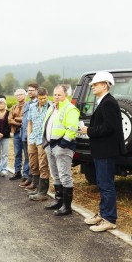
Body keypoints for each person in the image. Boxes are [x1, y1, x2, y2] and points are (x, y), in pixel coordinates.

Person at [80, 71, 125, 232]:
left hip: (106, 151)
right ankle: (103, 214)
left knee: (106, 184)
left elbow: (109, 127)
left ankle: (109, 219)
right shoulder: (104, 101)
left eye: (96, 84)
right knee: (102, 183)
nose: (92, 86)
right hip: (102, 150)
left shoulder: (108, 103)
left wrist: (89, 130)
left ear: (105, 85)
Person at [43, 85, 80, 216]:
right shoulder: (52, 107)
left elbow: (72, 128)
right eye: (55, 94)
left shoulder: (70, 109)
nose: (56, 97)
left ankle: (67, 206)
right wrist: (45, 143)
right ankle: (59, 201)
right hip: (50, 146)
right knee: (56, 175)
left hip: (62, 147)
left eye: (59, 95)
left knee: (65, 176)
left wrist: (63, 144)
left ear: (66, 96)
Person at [26, 87, 51, 200]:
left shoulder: (51, 107)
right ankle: (36, 188)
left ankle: (43, 193)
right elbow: (30, 123)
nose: (43, 101)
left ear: (47, 95)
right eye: (40, 99)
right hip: (33, 138)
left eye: (44, 98)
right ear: (37, 97)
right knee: (33, 164)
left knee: (43, 165)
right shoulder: (32, 107)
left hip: (43, 140)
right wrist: (29, 138)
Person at [15, 83, 38, 184]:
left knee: (34, 158)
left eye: (31, 90)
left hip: (34, 136)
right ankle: (29, 178)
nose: (29, 92)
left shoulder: (40, 104)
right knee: (28, 157)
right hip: (25, 135)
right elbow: (25, 120)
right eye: (28, 90)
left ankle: (34, 180)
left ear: (37, 91)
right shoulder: (27, 104)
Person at [8, 89, 27, 179]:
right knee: (17, 153)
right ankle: (17, 172)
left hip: (25, 132)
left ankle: (26, 174)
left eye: (21, 94)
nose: (19, 96)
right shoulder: (14, 107)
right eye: (17, 95)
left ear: (25, 95)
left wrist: (16, 119)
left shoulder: (28, 106)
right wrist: (20, 122)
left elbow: (26, 119)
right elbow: (9, 119)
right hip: (16, 132)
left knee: (27, 154)